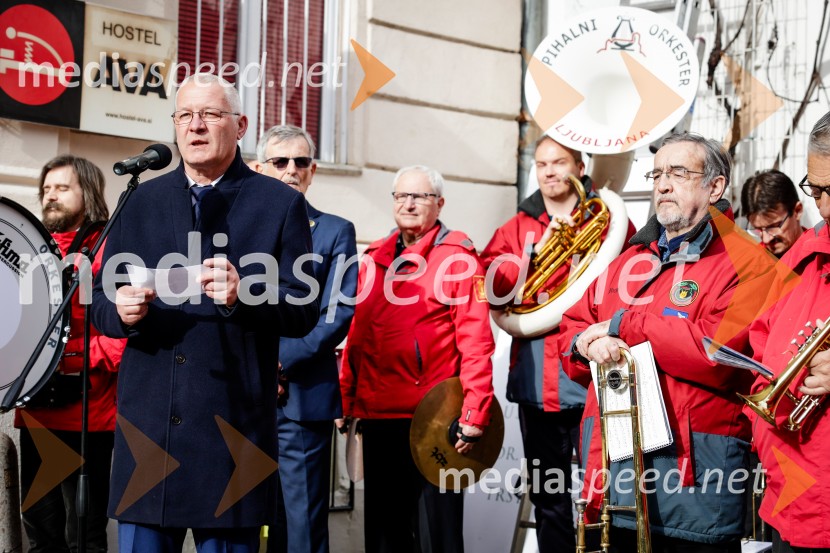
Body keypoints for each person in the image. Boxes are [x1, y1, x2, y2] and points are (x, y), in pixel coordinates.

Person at [90, 73, 319, 553]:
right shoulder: (140, 200)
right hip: (149, 431)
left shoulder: (278, 204)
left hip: (232, 436)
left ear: (240, 126)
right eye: (184, 116)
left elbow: (303, 307)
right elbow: (101, 302)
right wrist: (122, 310)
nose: (195, 127)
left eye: (210, 115)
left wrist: (245, 293)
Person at [561, 133, 759, 552]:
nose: (663, 185)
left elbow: (719, 354)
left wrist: (624, 325)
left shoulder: (748, 261)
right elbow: (573, 326)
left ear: (715, 187)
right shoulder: (628, 262)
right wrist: (585, 346)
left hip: (695, 487)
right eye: (657, 175)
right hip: (614, 479)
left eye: (679, 173)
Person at [479, 136, 634, 552]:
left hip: (592, 383)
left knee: (605, 497)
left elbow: (633, 277)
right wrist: (528, 259)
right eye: (542, 164)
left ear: (580, 167)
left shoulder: (605, 217)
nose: (548, 171)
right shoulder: (517, 227)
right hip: (535, 384)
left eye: (559, 162)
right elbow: (492, 287)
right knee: (550, 498)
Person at [339, 165, 495, 553]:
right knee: (384, 535)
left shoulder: (458, 259)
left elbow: (476, 343)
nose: (408, 204)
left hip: (434, 421)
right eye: (401, 196)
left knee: (436, 536)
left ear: (439, 204)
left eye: (419, 196)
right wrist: (344, 398)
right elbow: (356, 338)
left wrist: (475, 415)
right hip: (379, 418)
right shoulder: (373, 257)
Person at [255, 125, 358, 553]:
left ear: (313, 172)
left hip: (300, 399)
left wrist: (278, 361)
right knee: (248, 523)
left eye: (300, 162)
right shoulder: (235, 231)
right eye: (280, 162)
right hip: (242, 398)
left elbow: (338, 313)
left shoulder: (335, 231)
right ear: (259, 169)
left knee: (303, 527)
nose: (291, 170)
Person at [15, 155, 124, 553]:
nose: (51, 196)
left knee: (84, 537)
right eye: (46, 190)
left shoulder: (111, 247)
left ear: (88, 192)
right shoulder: (29, 246)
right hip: (35, 412)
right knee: (40, 533)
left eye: (62, 188)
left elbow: (121, 339)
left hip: (88, 416)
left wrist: (66, 356)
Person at [747, 111, 830, 551]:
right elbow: (762, 363)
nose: (825, 207)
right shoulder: (801, 260)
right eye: (816, 189)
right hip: (793, 506)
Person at [741, 169, 806, 257]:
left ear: (797, 211)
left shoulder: (823, 261)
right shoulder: (751, 265)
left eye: (773, 226)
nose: (766, 239)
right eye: (758, 230)